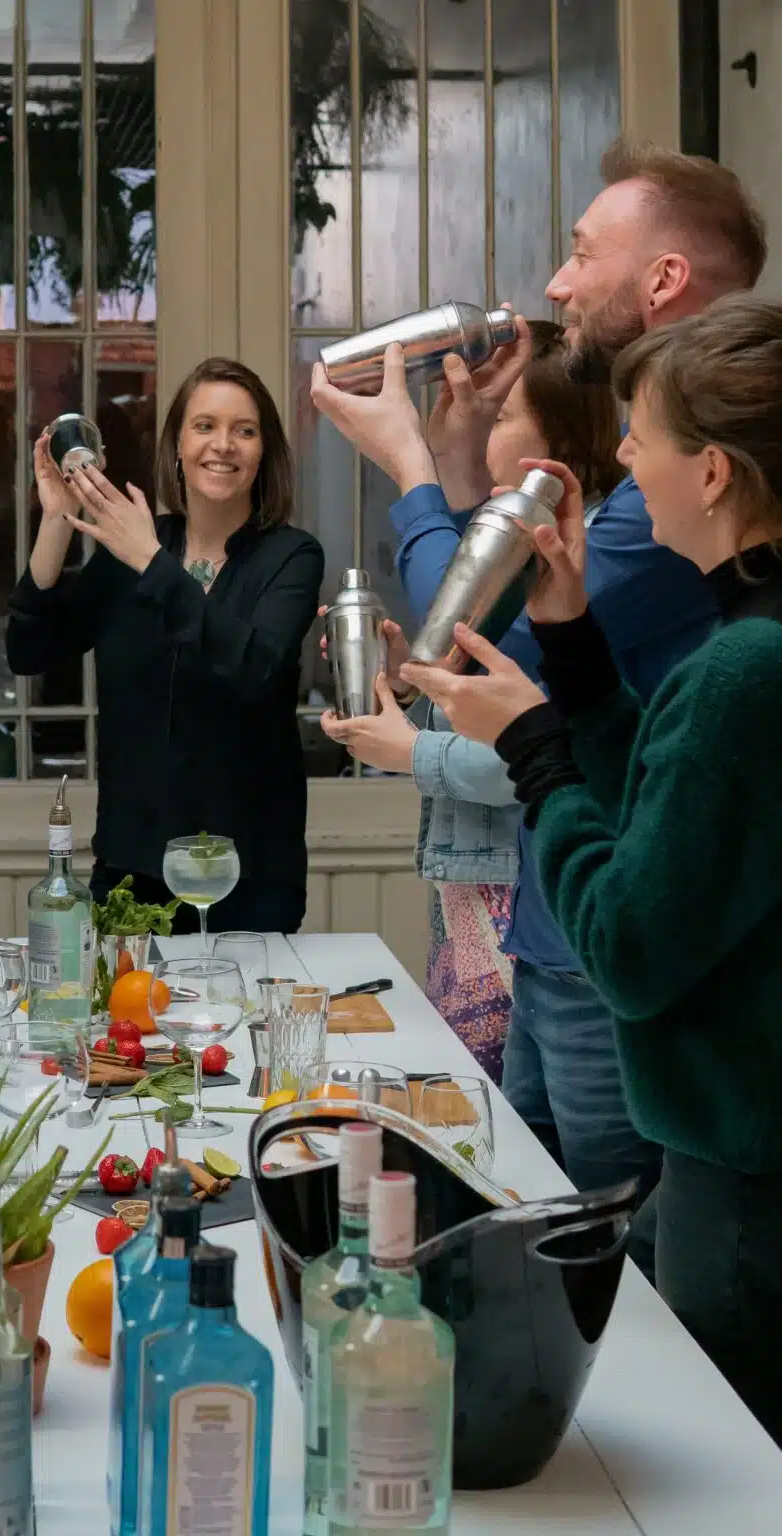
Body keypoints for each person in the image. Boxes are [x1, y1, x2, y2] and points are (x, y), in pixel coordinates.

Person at [310, 139, 765, 1206]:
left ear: (662, 278)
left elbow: (486, 642)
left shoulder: (692, 518)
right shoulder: (669, 481)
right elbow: (525, 645)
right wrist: (458, 468)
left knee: (612, 1255)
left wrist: (412, 468)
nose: (555, 284)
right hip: (558, 926)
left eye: (580, 252)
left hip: (624, 957)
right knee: (535, 1214)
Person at [402, 294, 782, 1444]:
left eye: (638, 436)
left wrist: (531, 747)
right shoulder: (744, 646)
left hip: (740, 1183)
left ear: (708, 473)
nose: (620, 462)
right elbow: (660, 818)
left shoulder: (742, 672)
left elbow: (624, 946)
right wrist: (566, 637)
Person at [319, 323, 622, 1083]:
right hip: (490, 895)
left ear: (554, 444)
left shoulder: (575, 556)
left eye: (501, 412)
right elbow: (490, 686)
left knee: (492, 1127)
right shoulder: (520, 539)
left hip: (526, 901)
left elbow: (534, 742)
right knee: (487, 1125)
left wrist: (411, 751)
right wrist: (409, 680)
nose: (476, 424)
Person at [7, 357, 325, 933]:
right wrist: (57, 519)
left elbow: (256, 669)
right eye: (204, 426)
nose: (222, 445)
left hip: (248, 872)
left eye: (244, 430)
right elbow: (29, 651)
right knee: (123, 998)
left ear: (264, 453)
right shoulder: (134, 547)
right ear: (177, 444)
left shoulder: (291, 557)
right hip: (131, 868)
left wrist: (151, 562)